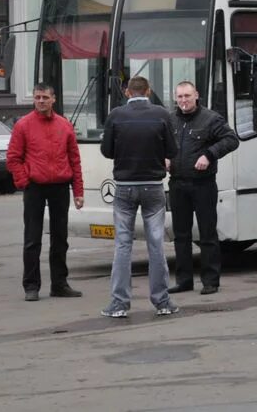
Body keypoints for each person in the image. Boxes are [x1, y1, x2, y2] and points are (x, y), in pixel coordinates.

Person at [99, 76, 179, 318]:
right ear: (149, 90)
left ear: (127, 93)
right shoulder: (162, 114)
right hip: (153, 186)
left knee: (123, 244)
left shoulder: (116, 115)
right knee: (156, 244)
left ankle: (119, 304)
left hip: (124, 186)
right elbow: (172, 151)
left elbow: (106, 151)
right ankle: (162, 301)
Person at [6, 83, 85, 302]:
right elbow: (13, 158)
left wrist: (78, 191)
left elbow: (74, 160)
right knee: (32, 238)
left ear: (54, 99)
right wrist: (25, 182)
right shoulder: (23, 125)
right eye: (37, 97)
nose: (40, 101)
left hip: (60, 186)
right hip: (35, 187)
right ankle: (31, 286)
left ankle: (59, 284)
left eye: (44, 97)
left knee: (61, 238)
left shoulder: (64, 125)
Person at [167, 80, 239, 295]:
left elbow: (231, 139)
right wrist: (164, 157)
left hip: (203, 184)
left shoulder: (210, 119)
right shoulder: (169, 119)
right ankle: (184, 280)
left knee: (207, 234)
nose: (183, 101)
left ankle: (210, 281)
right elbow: (161, 141)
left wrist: (209, 155)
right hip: (178, 183)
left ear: (196, 95)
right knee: (181, 235)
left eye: (187, 96)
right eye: (179, 97)